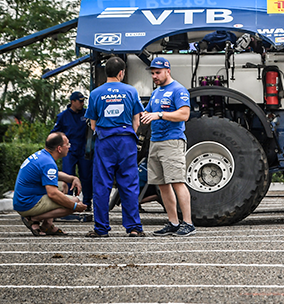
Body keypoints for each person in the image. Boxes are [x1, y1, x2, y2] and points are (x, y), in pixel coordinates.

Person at [85, 56, 145, 238]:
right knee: (129, 184)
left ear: (106, 72)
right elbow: (137, 121)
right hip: (126, 141)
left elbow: (92, 124)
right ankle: (134, 227)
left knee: (102, 185)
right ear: (121, 73)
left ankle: (101, 228)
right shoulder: (131, 91)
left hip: (105, 141)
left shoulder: (96, 93)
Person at [140, 57, 195, 237]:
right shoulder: (156, 93)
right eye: (153, 73)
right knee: (162, 184)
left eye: (158, 72)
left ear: (168, 71)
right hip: (156, 142)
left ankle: (188, 223)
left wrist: (160, 114)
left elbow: (184, 114)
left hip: (172, 141)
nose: (154, 76)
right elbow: (148, 113)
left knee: (177, 182)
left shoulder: (178, 90)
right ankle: (173, 222)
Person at [14, 132, 87, 236]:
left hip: (23, 200)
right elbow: (53, 194)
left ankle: (47, 225)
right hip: (27, 203)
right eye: (67, 144)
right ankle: (33, 218)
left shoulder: (43, 156)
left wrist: (72, 178)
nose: (69, 147)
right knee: (74, 202)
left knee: (63, 185)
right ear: (59, 149)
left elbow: (53, 174)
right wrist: (75, 206)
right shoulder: (48, 163)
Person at [52, 91, 93, 221]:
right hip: (69, 151)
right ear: (72, 101)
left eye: (83, 101)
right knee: (68, 176)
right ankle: (68, 204)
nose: (82, 103)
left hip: (84, 150)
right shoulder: (63, 116)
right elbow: (55, 133)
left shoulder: (86, 114)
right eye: (80, 101)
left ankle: (87, 202)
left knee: (86, 177)